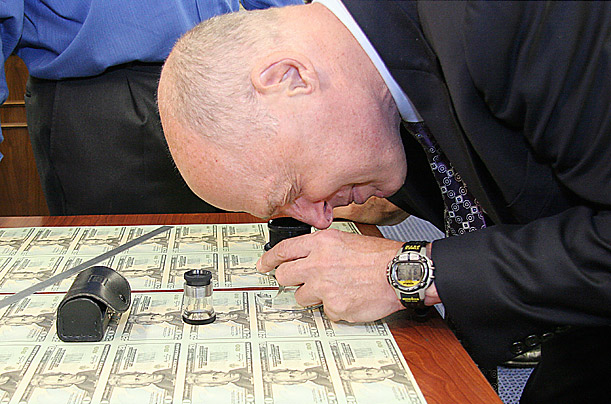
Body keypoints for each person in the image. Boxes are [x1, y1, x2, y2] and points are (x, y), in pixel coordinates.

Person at [157, 1, 611, 403]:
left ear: (290, 77)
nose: (321, 218)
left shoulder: (504, 16)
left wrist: (411, 273)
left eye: (294, 190)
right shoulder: (375, 95)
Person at [0, 0, 301, 215]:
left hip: (228, 81)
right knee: (116, 267)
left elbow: (279, 10)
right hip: (102, 101)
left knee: (230, 259)